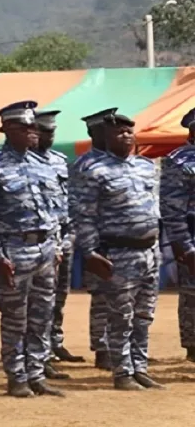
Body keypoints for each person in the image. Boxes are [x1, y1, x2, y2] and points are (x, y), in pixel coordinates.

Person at [0, 101, 63, 399]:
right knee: (15, 318)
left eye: (34, 127)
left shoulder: (43, 164)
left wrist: (57, 245)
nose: (34, 132)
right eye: (27, 127)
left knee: (42, 316)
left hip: (45, 249)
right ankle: (16, 377)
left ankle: (37, 374)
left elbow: (55, 209)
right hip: (15, 250)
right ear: (9, 130)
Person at [76, 113, 162, 390]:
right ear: (106, 137)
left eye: (128, 131)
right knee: (120, 316)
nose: (125, 136)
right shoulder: (94, 170)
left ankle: (140, 367)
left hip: (149, 250)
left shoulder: (146, 167)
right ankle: (122, 372)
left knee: (144, 315)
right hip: (118, 252)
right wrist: (89, 252)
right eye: (118, 132)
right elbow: (85, 216)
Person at [34, 110, 85, 378]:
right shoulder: (27, 162)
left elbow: (72, 201)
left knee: (59, 296)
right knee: (39, 300)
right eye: (45, 131)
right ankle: (37, 353)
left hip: (63, 238)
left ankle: (55, 342)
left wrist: (70, 235)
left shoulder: (60, 161)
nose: (49, 136)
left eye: (52, 132)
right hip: (39, 242)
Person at [70, 108, 118, 371]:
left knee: (125, 298)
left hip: (124, 240)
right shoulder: (84, 166)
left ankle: (123, 348)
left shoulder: (120, 161)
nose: (112, 133)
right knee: (102, 297)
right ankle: (102, 349)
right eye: (105, 129)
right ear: (94, 132)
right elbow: (80, 209)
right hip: (100, 241)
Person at [160, 107, 195, 362]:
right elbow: (172, 209)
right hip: (193, 237)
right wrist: (184, 246)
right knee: (193, 296)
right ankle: (193, 346)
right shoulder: (178, 160)